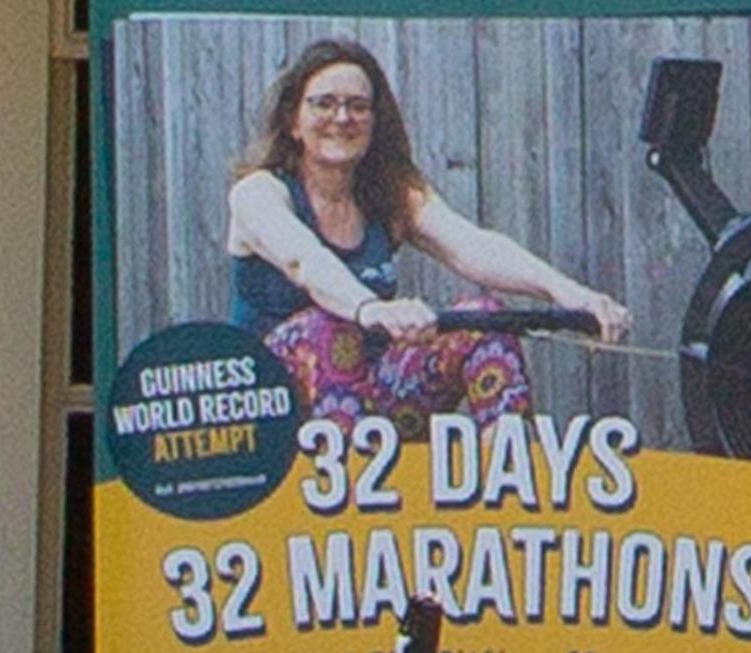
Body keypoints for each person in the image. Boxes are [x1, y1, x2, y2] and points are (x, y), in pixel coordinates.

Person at [226, 39, 630, 439]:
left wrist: (568, 293)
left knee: (484, 319)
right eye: (324, 103)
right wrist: (367, 308)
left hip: (370, 405)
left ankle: (508, 480)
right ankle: (347, 491)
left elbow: (471, 246)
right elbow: (304, 262)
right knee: (327, 328)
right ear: (294, 121)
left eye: (358, 106)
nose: (342, 117)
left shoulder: (389, 194)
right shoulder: (258, 193)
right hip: (269, 416)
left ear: (374, 122)